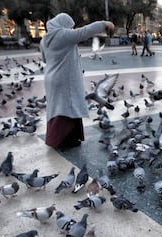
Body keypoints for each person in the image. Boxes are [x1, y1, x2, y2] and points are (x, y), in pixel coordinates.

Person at [40, 13, 114, 149]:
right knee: (67, 108)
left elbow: (44, 59)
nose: (71, 30)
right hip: (65, 78)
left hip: (51, 78)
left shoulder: (44, 39)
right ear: (63, 25)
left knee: (59, 108)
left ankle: (71, 138)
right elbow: (85, 32)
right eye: (70, 27)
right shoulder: (63, 35)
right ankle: (63, 141)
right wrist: (104, 23)